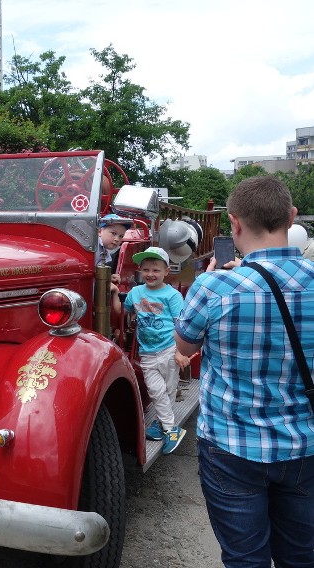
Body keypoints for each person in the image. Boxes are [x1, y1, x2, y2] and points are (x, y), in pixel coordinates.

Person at [175, 176, 314, 567]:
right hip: (305, 444)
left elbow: (184, 349)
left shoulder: (214, 287)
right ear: (291, 216)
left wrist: (216, 277)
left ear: (233, 224)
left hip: (231, 445)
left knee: (244, 557)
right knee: (302, 555)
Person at [123, 246, 190, 455]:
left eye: (156, 270)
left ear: (166, 272)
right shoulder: (135, 293)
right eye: (146, 270)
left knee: (169, 390)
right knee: (156, 390)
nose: (150, 274)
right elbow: (124, 312)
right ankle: (171, 429)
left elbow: (182, 325)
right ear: (140, 271)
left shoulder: (172, 295)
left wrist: (181, 351)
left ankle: (162, 425)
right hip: (147, 351)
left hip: (169, 349)